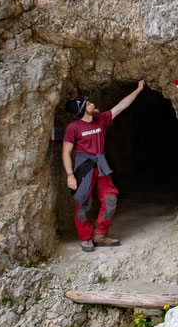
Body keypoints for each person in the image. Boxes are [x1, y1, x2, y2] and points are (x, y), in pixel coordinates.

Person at [62, 81, 145, 252]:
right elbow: (66, 152)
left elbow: (121, 106)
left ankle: (100, 234)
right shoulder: (73, 127)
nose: (93, 104)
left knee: (110, 199)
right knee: (83, 202)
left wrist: (138, 89)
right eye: (89, 104)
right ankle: (85, 238)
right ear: (83, 109)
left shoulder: (101, 120)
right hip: (84, 167)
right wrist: (70, 175)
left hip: (101, 165)